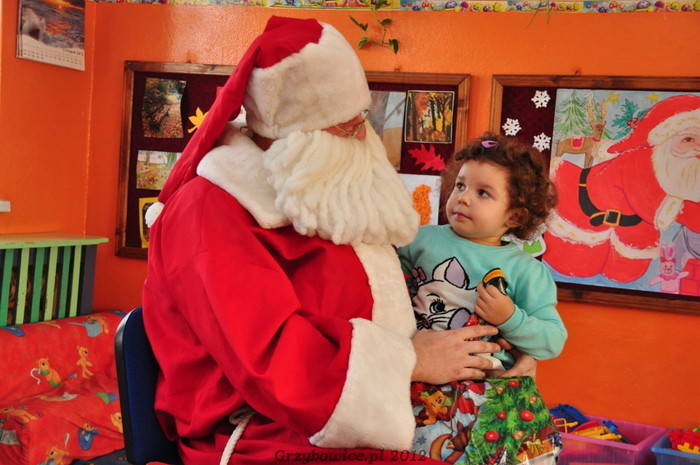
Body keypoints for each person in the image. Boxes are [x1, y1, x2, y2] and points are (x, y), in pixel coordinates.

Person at [142, 17, 533, 465]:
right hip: (263, 432)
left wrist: (491, 351)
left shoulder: (322, 189)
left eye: (362, 118)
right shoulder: (208, 211)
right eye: (346, 127)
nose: (362, 136)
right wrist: (408, 360)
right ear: (296, 136)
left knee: (518, 441)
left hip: (371, 402)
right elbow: (270, 360)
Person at [397, 133, 567, 464]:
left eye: (483, 193)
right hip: (419, 384)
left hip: (492, 398)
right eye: (460, 185)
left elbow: (552, 340)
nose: (463, 198)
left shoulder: (526, 271)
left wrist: (510, 319)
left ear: (514, 216)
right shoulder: (418, 240)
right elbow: (385, 291)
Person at [544, 94, 700, 283]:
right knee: (578, 265)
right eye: (688, 139)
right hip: (583, 208)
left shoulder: (681, 170)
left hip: (629, 223)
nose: (697, 148)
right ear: (665, 139)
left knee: (627, 271)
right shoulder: (643, 163)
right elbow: (663, 207)